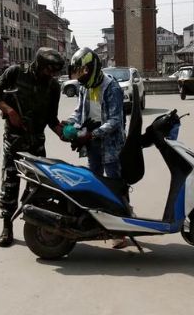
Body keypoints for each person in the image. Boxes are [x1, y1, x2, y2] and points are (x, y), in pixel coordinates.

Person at [0, 47, 66, 248]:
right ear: (39, 64)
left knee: (38, 185)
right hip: (14, 141)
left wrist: (63, 132)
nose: (52, 75)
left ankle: (32, 220)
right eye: (49, 70)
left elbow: (52, 119)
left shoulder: (53, 87)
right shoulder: (15, 73)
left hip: (37, 143)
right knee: (10, 183)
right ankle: (7, 226)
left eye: (55, 72)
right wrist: (10, 111)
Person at [66, 47, 128, 249]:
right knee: (96, 182)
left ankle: (121, 228)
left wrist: (91, 134)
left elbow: (115, 121)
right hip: (92, 142)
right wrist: (69, 124)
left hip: (110, 144)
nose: (81, 75)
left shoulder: (111, 87)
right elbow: (79, 112)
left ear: (92, 68)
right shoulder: (85, 87)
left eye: (83, 71)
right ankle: (102, 223)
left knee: (114, 184)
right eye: (79, 72)